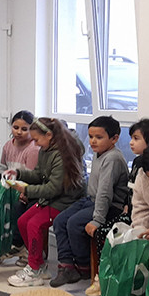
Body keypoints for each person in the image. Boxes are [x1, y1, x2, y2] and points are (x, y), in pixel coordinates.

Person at [85, 118, 149, 296]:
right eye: (131, 138)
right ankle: (105, 276)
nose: (131, 142)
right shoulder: (138, 162)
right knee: (106, 233)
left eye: (136, 138)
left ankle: (116, 277)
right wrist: (127, 204)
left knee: (107, 233)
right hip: (133, 212)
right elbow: (131, 189)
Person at [5, 118, 86, 287]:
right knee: (23, 221)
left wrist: (26, 190)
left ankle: (34, 269)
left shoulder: (62, 155)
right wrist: (19, 174)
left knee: (34, 224)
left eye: (36, 139)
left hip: (65, 202)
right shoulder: (45, 150)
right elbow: (38, 174)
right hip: (50, 199)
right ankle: (39, 265)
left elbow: (53, 188)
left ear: (49, 135)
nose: (35, 143)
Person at [49, 116, 129, 287]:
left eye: (99, 137)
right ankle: (67, 266)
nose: (93, 141)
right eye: (91, 136)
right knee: (60, 221)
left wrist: (97, 220)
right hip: (91, 200)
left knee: (74, 224)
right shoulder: (99, 152)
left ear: (114, 138)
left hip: (110, 207)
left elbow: (105, 193)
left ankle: (84, 266)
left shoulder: (113, 158)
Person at [0, 110, 39, 266]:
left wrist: (24, 192)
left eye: (24, 129)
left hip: (23, 189)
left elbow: (32, 177)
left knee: (11, 207)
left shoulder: (33, 149)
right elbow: (2, 168)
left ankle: (20, 248)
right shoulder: (8, 145)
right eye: (15, 127)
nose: (19, 132)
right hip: (8, 186)